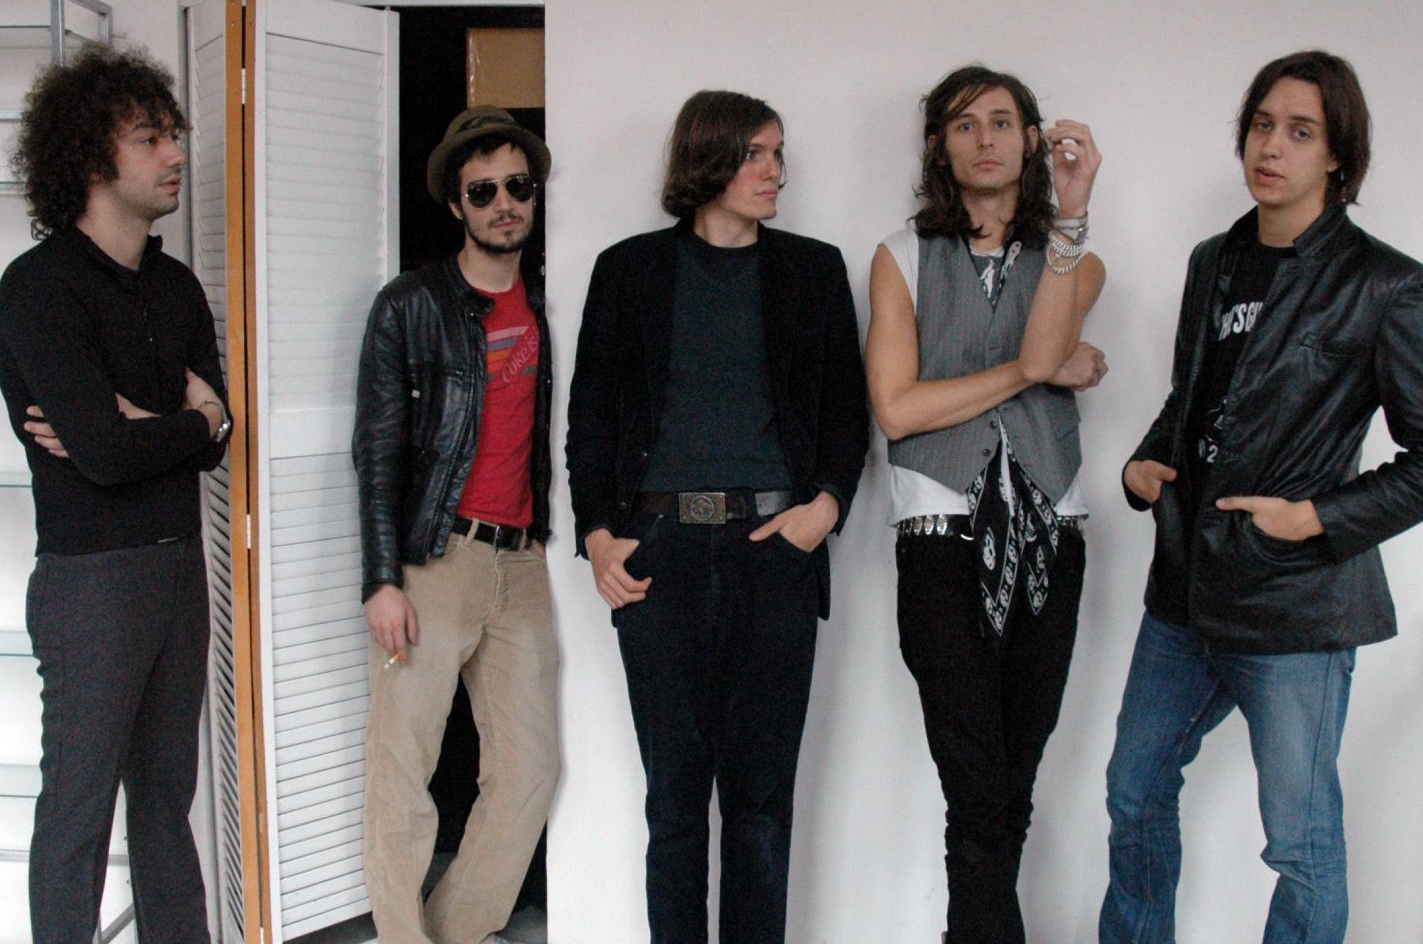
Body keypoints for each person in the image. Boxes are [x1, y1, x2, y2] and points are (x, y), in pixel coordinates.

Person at [1100, 50, 1423, 944]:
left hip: (1296, 603)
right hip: (1186, 587)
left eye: (1300, 132)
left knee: (1299, 844)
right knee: (1133, 792)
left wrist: (1316, 518)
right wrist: (1144, 464)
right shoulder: (1215, 260)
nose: (1272, 147)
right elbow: (1196, 398)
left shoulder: (1382, 284)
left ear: (1337, 155)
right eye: (1263, 126)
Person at [565, 89, 868, 944]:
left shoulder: (812, 270)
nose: (776, 171)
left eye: (779, 153)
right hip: (657, 555)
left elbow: (847, 414)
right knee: (673, 806)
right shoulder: (628, 271)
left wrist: (825, 510)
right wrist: (597, 534)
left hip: (774, 550)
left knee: (761, 806)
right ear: (709, 160)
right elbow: (590, 416)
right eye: (756, 154)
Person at [0, 45, 230, 943]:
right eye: (149, 137)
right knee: (78, 814)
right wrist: (192, 423)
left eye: (174, 134)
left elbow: (217, 441)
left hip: (177, 574)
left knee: (166, 806)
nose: (176, 153)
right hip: (90, 583)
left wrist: (172, 429)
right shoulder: (38, 289)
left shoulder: (176, 288)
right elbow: (100, 453)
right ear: (92, 156)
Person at [864, 64, 1105, 944]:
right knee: (976, 785)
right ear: (939, 146)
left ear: (1033, 141)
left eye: (1003, 122)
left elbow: (1046, 341)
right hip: (941, 538)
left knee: (1012, 785)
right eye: (964, 125)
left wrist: (1072, 210)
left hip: (1050, 537)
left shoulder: (1076, 258)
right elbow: (898, 409)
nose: (986, 140)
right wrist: (1035, 373)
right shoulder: (900, 257)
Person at [352, 106, 559, 944]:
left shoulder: (546, 300)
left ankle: (452, 930)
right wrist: (381, 577)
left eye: (517, 186)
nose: (504, 203)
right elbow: (376, 451)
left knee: (531, 767)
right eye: (484, 191)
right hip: (435, 559)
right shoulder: (410, 305)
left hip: (521, 564)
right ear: (455, 204)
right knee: (404, 771)